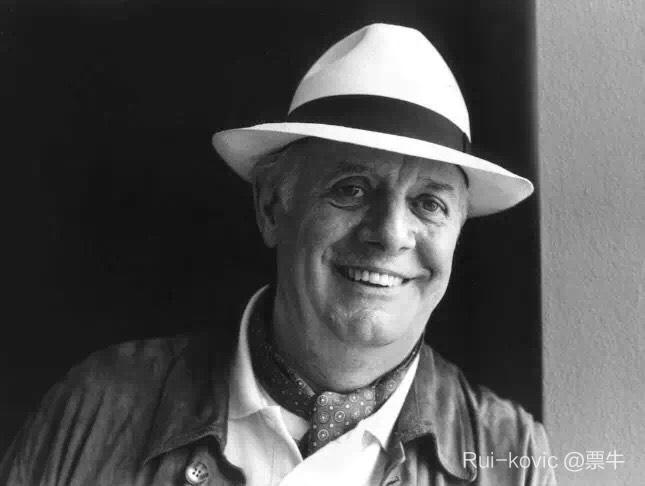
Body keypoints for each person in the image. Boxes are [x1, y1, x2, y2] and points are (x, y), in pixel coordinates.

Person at [1, 23, 555, 485]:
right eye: (351, 189)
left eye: (429, 204)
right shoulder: (97, 406)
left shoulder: (511, 453)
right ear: (271, 207)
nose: (390, 235)